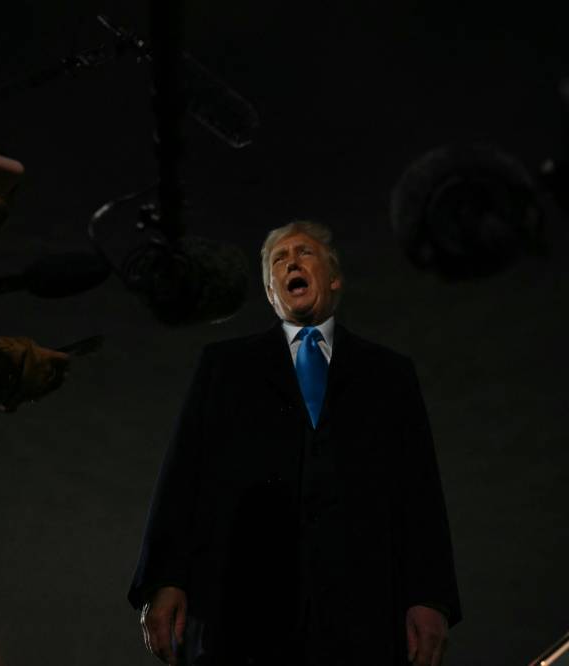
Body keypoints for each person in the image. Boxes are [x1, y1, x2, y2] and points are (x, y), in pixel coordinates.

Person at [130, 221, 461, 666]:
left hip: (360, 612)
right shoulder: (224, 368)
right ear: (271, 292)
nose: (291, 263)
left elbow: (418, 491)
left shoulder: (389, 375)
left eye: (303, 252)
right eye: (278, 260)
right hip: (243, 610)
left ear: (334, 277)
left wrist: (430, 597)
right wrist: (163, 579)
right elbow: (183, 475)